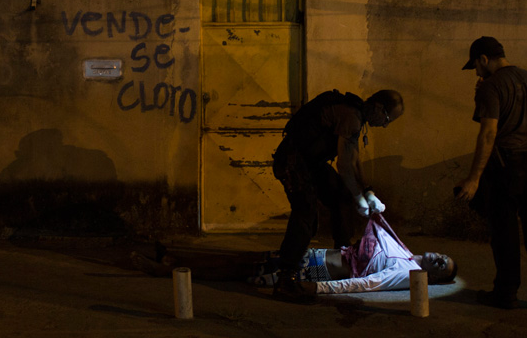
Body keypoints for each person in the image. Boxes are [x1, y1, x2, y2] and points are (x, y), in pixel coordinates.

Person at [454, 37, 527, 309]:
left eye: (476, 67)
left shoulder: (491, 86)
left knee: (504, 232)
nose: (477, 73)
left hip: (507, 166)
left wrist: (474, 178)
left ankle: (506, 292)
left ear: (483, 59)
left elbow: (489, 133)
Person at [270, 88, 404, 303]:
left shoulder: (356, 117)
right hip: (293, 161)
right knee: (306, 214)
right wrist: (359, 197)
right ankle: (286, 278)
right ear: (378, 107)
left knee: (340, 196)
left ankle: (344, 257)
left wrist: (367, 190)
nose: (385, 124)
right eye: (387, 118)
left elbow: (353, 158)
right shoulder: (350, 116)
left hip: (311, 163)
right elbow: (344, 165)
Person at [129, 214, 457, 296]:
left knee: (236, 270)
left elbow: (366, 284)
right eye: (444, 255)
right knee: (242, 259)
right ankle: (173, 262)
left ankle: (166, 270)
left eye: (443, 267)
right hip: (313, 255)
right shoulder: (404, 251)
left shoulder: (407, 274)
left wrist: (319, 289)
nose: (439, 258)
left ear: (435, 278)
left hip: (315, 272)